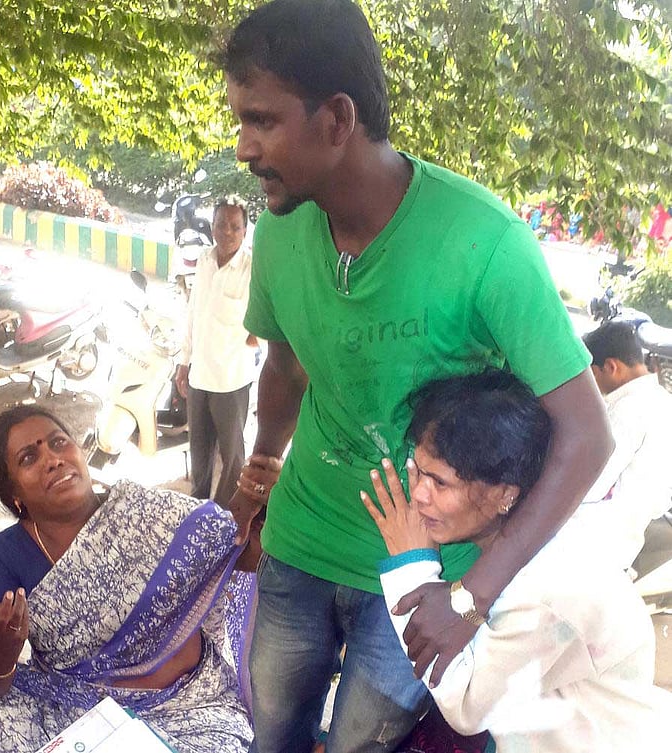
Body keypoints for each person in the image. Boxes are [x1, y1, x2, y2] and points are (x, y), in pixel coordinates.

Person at [221, 2, 613, 751]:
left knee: (360, 743)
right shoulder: (278, 229)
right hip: (301, 541)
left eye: (262, 121)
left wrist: (472, 593)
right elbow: (286, 361)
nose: (244, 147)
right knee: (270, 731)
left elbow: (588, 435)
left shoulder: (485, 244)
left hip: (422, 572)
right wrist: (258, 473)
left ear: (337, 119)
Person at [0, 405, 275, 753]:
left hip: (188, 706)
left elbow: (237, 545)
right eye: (29, 458)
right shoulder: (8, 553)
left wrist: (265, 501)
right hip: (75, 708)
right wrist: (4, 646)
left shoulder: (146, 513)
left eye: (59, 443)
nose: (53, 459)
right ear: (14, 494)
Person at [364, 370, 671, 751]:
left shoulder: (547, 584)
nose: (420, 495)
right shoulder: (528, 550)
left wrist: (411, 565)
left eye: (439, 482)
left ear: (503, 494)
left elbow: (465, 705)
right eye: (418, 472)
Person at [175, 195, 258, 506]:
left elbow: (269, 314)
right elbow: (193, 312)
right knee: (200, 457)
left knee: (233, 458)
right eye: (221, 224)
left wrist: (257, 337)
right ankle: (196, 510)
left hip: (232, 381)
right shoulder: (205, 260)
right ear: (211, 226)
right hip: (200, 377)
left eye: (235, 227)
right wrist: (184, 361)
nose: (227, 232)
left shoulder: (253, 268)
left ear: (245, 231)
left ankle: (225, 517)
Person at [582, 321, 672, 571]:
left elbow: (589, 487)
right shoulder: (663, 402)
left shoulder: (627, 410)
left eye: (593, 374)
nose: (592, 384)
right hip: (630, 537)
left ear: (611, 367)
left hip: (595, 543)